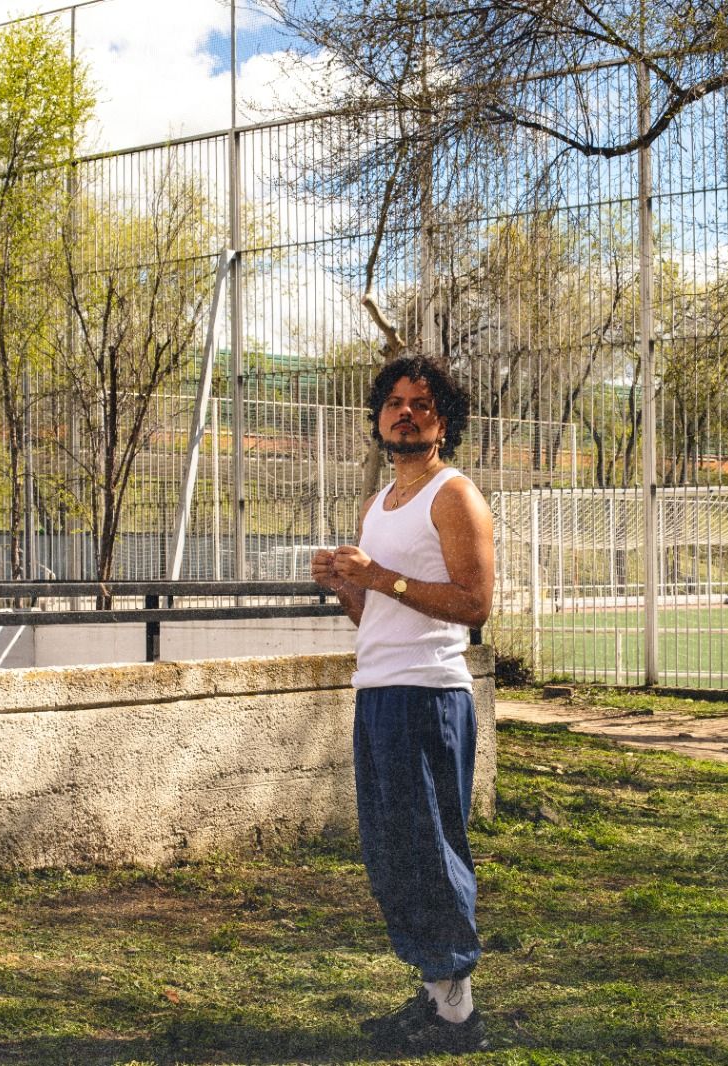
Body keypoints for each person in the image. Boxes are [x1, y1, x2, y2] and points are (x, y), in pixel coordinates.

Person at [311, 354, 495, 1054]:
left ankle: (458, 1016)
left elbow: (475, 604)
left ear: (444, 420)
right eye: (394, 403)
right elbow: (377, 615)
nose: (406, 414)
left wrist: (381, 575)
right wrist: (345, 585)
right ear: (379, 417)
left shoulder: (454, 495)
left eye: (421, 404)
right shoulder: (379, 503)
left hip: (429, 695)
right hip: (379, 692)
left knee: (430, 847)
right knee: (393, 852)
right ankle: (434, 995)